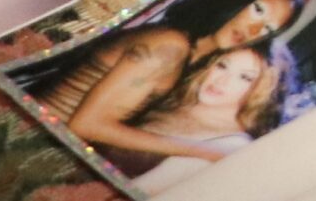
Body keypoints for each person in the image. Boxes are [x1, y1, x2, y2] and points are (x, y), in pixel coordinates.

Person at [35, 0, 305, 158]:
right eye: (258, 10)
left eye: (268, 29)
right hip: (35, 135)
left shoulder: (198, 57)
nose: (254, 30)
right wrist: (208, 153)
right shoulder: (170, 46)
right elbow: (85, 126)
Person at [89, 44, 285, 192]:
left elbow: (136, 191)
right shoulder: (178, 99)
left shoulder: (232, 144)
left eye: (245, 78)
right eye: (223, 66)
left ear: (263, 91)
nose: (221, 80)